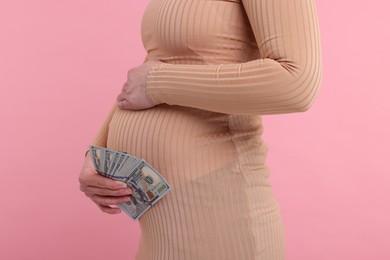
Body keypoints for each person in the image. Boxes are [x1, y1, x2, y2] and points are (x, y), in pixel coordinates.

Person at [79, 0, 322, 259]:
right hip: (160, 230)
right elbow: (148, 71)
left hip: (219, 216)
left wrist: (157, 83)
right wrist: (96, 150)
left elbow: (296, 83)